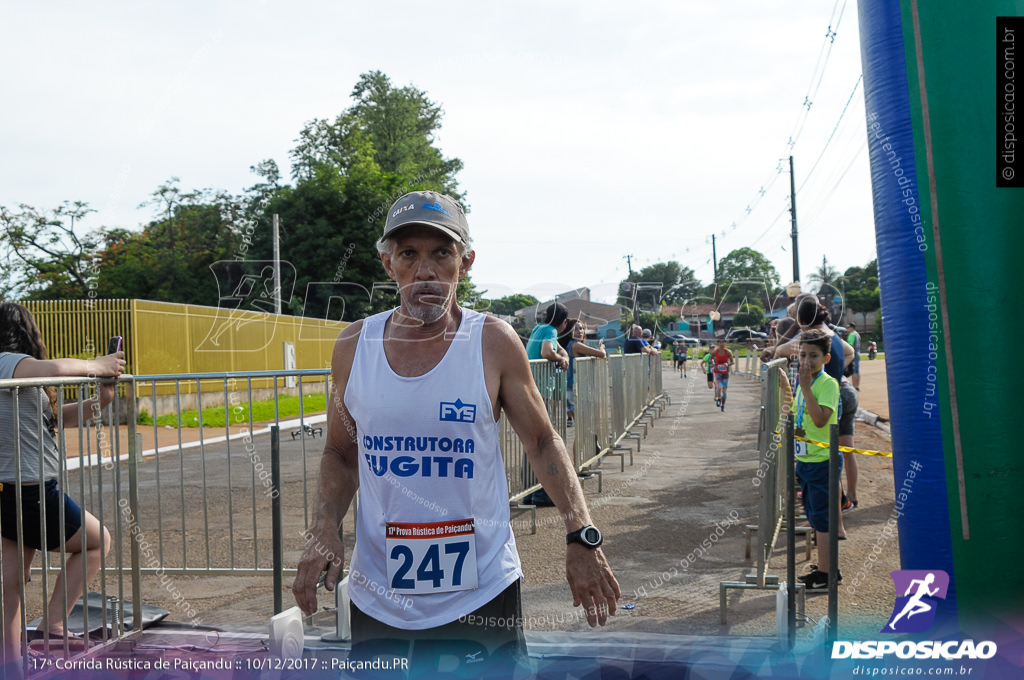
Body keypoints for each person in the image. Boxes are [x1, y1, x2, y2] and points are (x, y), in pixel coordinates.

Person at [292, 191, 620, 673]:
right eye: (409, 254)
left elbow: (542, 441)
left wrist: (581, 534)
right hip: (380, 596)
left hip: (481, 594)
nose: (425, 270)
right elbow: (341, 453)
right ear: (389, 265)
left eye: (441, 253)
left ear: (465, 263)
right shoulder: (353, 345)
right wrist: (323, 527)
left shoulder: (492, 342)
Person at [0, 302, 121, 667]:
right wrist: (96, 365)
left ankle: (11, 665)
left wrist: (100, 399)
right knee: (97, 541)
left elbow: (55, 418)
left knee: (11, 586)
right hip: (33, 491)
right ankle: (53, 623)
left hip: (10, 490)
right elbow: (54, 368)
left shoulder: (19, 383)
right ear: (26, 333)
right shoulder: (9, 361)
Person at [777, 329, 841, 590]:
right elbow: (797, 415)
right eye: (802, 354)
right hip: (806, 461)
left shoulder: (827, 384)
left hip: (822, 461)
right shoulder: (806, 385)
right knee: (814, 517)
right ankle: (825, 567)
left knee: (824, 519)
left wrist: (802, 385)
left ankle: (828, 573)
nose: (806, 360)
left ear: (826, 358)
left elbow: (820, 418)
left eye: (813, 355)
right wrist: (786, 388)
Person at [526, 303, 570, 370]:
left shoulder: (538, 328)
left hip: (530, 375)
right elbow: (546, 353)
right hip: (542, 379)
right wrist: (561, 359)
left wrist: (565, 358)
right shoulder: (551, 331)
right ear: (564, 322)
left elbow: (560, 349)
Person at [710, 339, 733, 411]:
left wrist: (728, 364)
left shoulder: (728, 352)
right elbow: (711, 359)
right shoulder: (715, 352)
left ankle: (723, 406)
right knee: (719, 387)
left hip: (725, 373)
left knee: (725, 391)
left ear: (725, 343)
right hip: (717, 372)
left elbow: (732, 362)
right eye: (720, 342)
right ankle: (719, 398)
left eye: (723, 342)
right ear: (718, 344)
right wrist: (714, 364)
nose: (722, 344)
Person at [846, 322, 861, 390]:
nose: (847, 329)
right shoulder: (857, 334)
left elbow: (850, 345)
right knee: (857, 371)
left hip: (853, 355)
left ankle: (854, 386)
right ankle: (857, 386)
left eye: (848, 327)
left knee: (854, 371)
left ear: (852, 327)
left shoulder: (851, 335)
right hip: (857, 353)